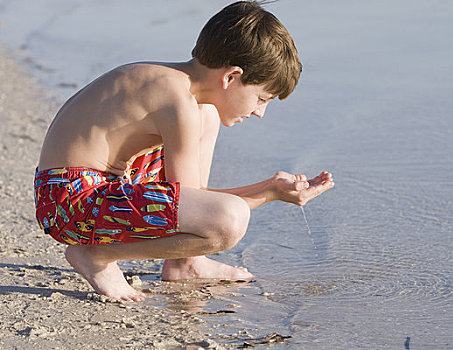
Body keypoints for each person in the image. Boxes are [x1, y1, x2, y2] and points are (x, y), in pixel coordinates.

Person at [34, 1, 334, 302]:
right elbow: (198, 211)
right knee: (228, 222)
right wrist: (269, 192)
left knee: (209, 114)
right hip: (69, 203)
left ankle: (186, 262)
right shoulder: (176, 101)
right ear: (230, 77)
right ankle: (96, 256)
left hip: (80, 189)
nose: (260, 112)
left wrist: (267, 189)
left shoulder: (184, 90)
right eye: (260, 98)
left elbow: (191, 200)